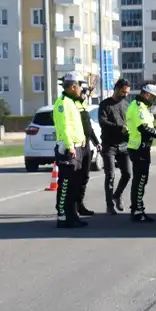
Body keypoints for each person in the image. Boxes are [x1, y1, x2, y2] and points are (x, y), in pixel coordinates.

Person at [125, 84, 156, 222]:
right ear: (147, 95)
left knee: (141, 180)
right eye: (153, 98)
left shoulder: (142, 107)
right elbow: (144, 128)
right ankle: (137, 210)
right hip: (138, 148)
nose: (154, 101)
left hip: (142, 148)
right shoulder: (138, 107)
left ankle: (137, 208)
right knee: (140, 181)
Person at [52, 72, 90, 228]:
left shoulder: (72, 102)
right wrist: (69, 145)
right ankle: (63, 217)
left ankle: (72, 215)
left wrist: (82, 139)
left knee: (74, 184)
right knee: (66, 184)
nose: (81, 89)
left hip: (77, 146)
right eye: (80, 86)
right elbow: (64, 127)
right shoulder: (62, 103)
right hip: (68, 148)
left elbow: (76, 125)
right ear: (73, 87)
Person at [97, 78, 132, 214]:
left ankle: (117, 195)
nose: (125, 95)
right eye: (123, 92)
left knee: (127, 174)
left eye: (127, 92)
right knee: (110, 175)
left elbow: (130, 121)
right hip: (109, 145)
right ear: (116, 89)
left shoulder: (126, 105)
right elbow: (103, 122)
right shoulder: (105, 104)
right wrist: (119, 127)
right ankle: (109, 205)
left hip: (123, 145)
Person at [75, 82, 100, 217]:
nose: (85, 94)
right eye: (84, 91)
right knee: (75, 177)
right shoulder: (72, 105)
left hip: (86, 145)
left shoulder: (83, 105)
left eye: (87, 92)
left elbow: (88, 127)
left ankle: (80, 204)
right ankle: (72, 207)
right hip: (77, 145)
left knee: (85, 176)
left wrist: (96, 142)